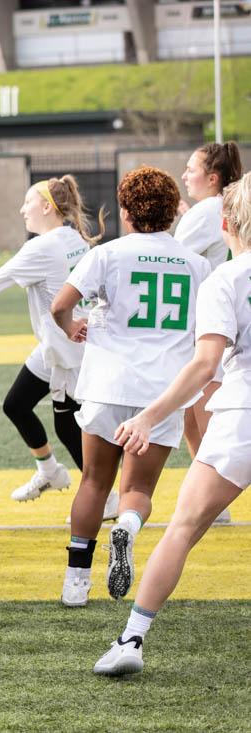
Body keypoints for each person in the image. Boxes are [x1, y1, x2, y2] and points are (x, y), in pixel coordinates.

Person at [93, 173, 251, 676]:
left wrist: (149, 415)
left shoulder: (225, 279)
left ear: (225, 222)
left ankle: (131, 641)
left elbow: (205, 365)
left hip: (242, 417)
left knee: (182, 528)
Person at [50, 166, 211, 607]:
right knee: (136, 491)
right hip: (160, 394)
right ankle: (127, 529)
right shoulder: (198, 266)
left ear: (125, 212)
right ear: (172, 213)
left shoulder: (108, 254)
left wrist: (71, 328)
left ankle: (75, 584)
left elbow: (59, 305)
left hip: (107, 384)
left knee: (93, 482)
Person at [0, 175, 104, 507]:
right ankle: (50, 471)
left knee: (71, 427)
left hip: (68, 353)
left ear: (47, 206)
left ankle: (106, 498)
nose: (22, 209)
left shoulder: (42, 246)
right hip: (62, 347)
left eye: (28, 202)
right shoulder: (72, 237)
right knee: (16, 405)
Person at [175, 144, 243, 527]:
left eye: (191, 169)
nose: (185, 175)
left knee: (209, 420)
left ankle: (211, 503)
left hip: (210, 324)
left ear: (212, 178)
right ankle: (211, 503)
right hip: (214, 320)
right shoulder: (215, 209)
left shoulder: (207, 210)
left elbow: (173, 255)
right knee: (192, 420)